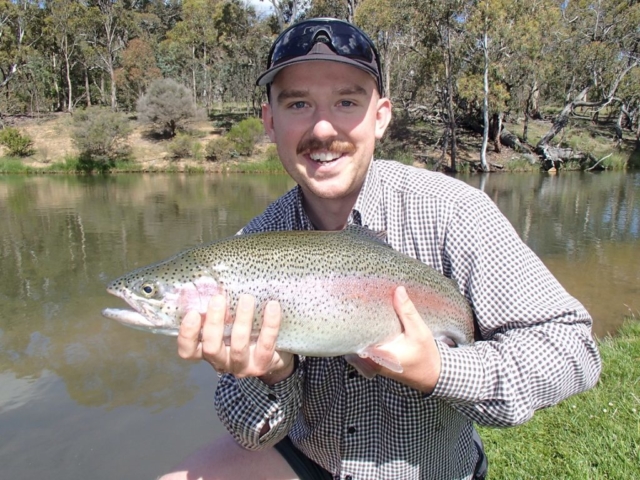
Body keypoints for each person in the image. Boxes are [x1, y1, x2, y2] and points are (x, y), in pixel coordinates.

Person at [160, 18, 601, 480]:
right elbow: (253, 435)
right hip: (314, 463)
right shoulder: (247, 254)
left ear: (381, 117)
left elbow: (573, 349)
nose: (323, 127)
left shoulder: (452, 211)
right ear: (270, 121)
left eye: (347, 101)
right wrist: (272, 373)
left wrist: (438, 370)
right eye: (298, 103)